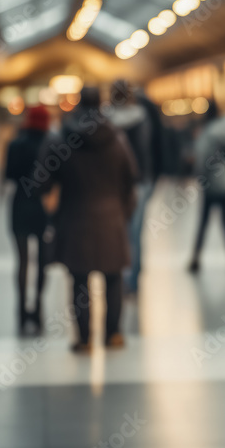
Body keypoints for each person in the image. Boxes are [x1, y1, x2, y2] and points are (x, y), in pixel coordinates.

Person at [42, 87, 137, 352]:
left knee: (79, 281)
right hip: (111, 216)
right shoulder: (117, 139)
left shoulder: (63, 138)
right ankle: (113, 334)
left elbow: (45, 178)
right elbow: (130, 178)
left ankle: (84, 339)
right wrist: (124, 212)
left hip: (76, 216)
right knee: (114, 278)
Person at [108, 80, 159, 295]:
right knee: (136, 233)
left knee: (118, 232)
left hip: (114, 184)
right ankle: (134, 279)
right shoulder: (142, 117)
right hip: (139, 181)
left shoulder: (106, 119)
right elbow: (150, 148)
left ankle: (119, 277)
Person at [5, 105, 52, 332]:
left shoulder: (16, 143)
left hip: (20, 205)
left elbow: (9, 175)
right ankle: (39, 305)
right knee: (42, 260)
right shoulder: (53, 144)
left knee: (22, 260)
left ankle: (21, 309)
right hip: (43, 206)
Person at [187, 100, 225, 274]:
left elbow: (202, 158)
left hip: (211, 183)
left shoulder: (209, 132)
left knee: (203, 222)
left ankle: (195, 258)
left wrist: (199, 175)